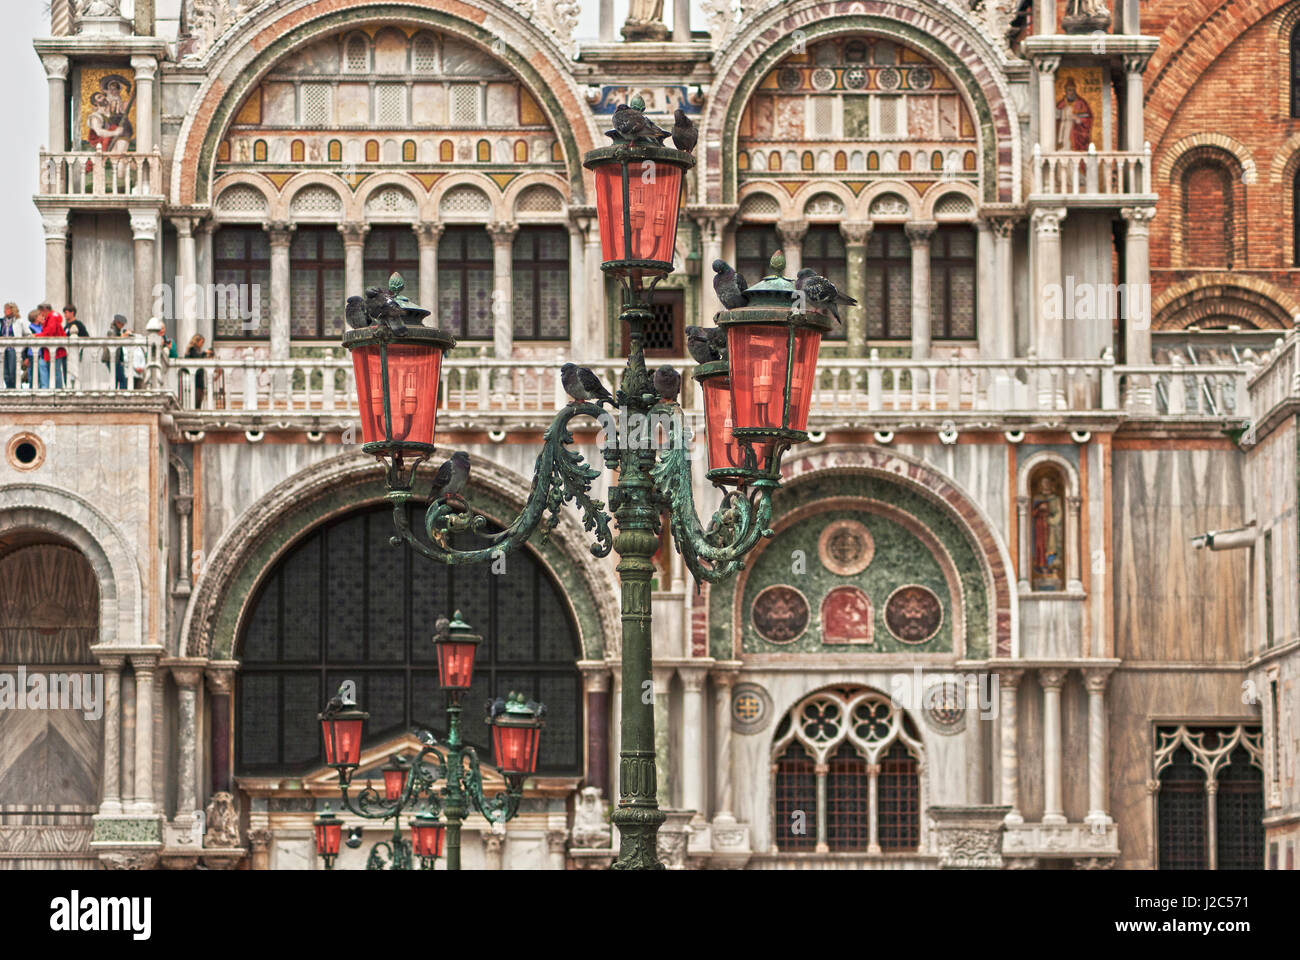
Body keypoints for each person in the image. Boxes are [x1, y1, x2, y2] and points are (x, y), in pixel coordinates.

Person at [36, 303, 67, 388]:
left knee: (56, 371)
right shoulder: (53, 316)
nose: (42, 315)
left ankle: (58, 389)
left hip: (56, 350)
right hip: (57, 349)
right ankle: (57, 388)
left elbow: (50, 332)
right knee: (56, 370)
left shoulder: (52, 317)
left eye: (41, 313)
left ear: (44, 310)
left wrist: (37, 336)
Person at [0, 303, 28, 389]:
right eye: (5, 309)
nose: (5, 311)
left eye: (7, 309)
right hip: (3, 350)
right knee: (5, 373)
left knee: (12, 372)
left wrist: (22, 347)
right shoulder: (2, 322)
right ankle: (9, 389)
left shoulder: (19, 321)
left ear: (12, 310)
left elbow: (28, 334)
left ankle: (17, 389)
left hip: (13, 350)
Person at [184, 334, 212, 408]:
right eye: (201, 342)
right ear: (197, 341)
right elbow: (196, 360)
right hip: (196, 376)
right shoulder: (192, 349)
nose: (202, 344)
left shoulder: (195, 350)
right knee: (198, 397)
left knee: (199, 397)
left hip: (198, 376)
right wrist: (204, 353)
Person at [106, 314, 128, 389]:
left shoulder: (117, 331)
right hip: (112, 359)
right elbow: (113, 341)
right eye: (121, 324)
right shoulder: (112, 331)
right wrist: (123, 336)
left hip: (117, 359)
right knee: (122, 379)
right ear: (117, 323)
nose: (122, 326)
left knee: (115, 378)